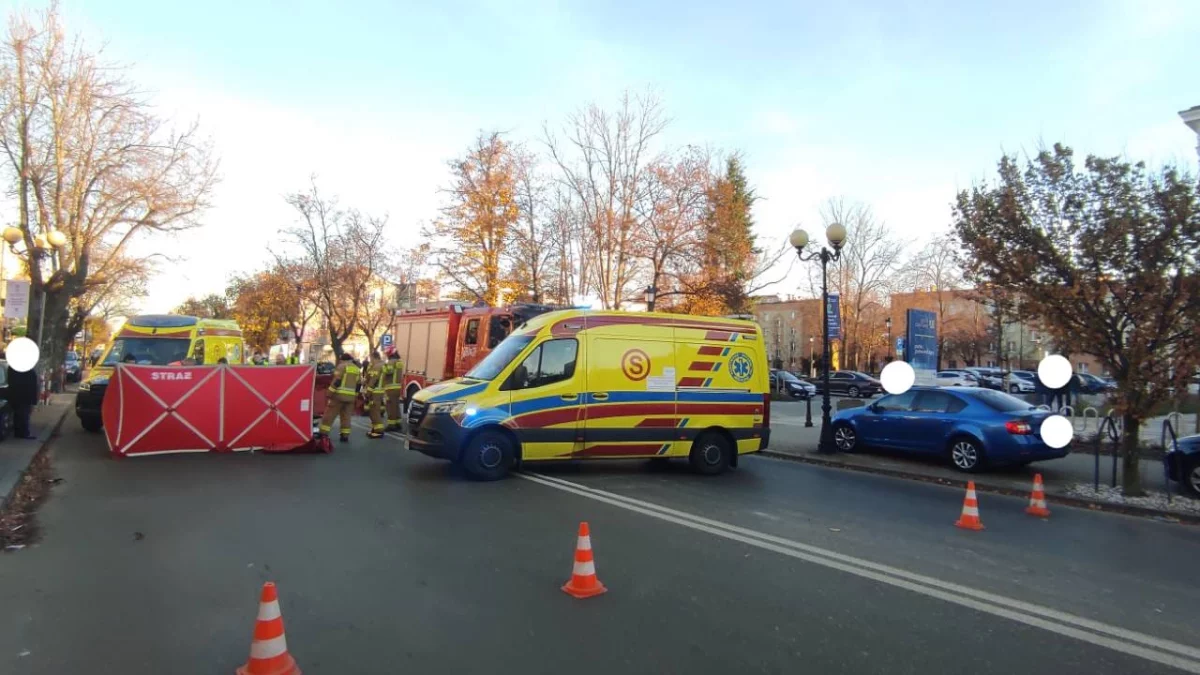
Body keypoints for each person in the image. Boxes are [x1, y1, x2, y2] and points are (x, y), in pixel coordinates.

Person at [317, 353, 360, 442]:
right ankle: (345, 435)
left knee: (330, 414)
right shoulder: (356, 369)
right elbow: (359, 383)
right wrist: (355, 395)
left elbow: (337, 380)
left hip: (339, 395)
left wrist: (330, 392)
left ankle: (323, 433)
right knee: (346, 416)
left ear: (342, 360)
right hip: (350, 397)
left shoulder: (342, 366)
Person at [6, 361, 38, 439]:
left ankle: (18, 432)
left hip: (15, 395)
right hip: (24, 396)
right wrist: (34, 400)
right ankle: (24, 433)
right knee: (24, 415)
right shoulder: (28, 370)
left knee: (18, 415)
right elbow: (33, 385)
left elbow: (10, 380)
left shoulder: (12, 368)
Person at [364, 350, 386, 439]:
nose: (370, 360)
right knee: (374, 411)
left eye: (371, 358)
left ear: (374, 357)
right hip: (380, 391)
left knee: (374, 412)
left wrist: (368, 392)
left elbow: (373, 381)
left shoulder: (377, 366)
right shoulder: (383, 365)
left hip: (375, 392)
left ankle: (378, 431)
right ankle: (374, 429)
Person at [384, 349, 406, 432]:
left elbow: (388, 371)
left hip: (391, 388)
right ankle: (397, 423)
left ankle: (391, 425)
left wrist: (383, 368)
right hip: (397, 387)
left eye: (387, 354)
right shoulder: (399, 362)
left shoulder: (391, 362)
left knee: (390, 407)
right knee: (396, 405)